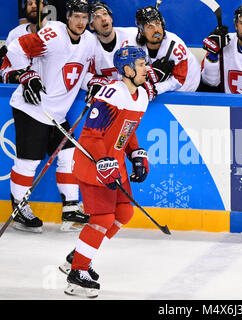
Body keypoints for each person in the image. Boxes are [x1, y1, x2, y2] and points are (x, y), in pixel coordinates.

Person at [4, 0, 103, 233]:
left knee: (69, 155)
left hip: (57, 113)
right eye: (76, 16)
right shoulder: (53, 33)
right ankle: (19, 210)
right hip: (32, 107)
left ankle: (70, 209)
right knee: (29, 161)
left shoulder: (89, 41)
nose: (80, 22)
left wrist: (93, 83)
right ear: (67, 17)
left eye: (84, 17)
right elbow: (16, 49)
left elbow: (80, 72)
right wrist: (26, 75)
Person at [62, 46, 150, 298]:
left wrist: (135, 153)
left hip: (115, 164)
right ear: (127, 69)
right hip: (93, 164)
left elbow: (127, 129)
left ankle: (79, 254)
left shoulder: (141, 95)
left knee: (124, 212)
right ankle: (77, 273)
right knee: (101, 219)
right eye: (141, 64)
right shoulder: (111, 94)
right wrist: (104, 161)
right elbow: (91, 134)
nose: (146, 69)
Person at [135, 5, 201, 96]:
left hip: (188, 85)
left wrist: (154, 88)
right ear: (142, 31)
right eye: (150, 26)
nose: (156, 30)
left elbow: (179, 80)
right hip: (159, 88)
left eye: (158, 24)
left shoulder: (175, 45)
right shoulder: (134, 45)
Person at [1, 0, 48, 83]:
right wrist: (18, 77)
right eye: (30, 4)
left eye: (37, 3)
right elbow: (5, 68)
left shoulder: (57, 31)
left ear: (45, 7)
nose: (33, 6)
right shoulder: (15, 34)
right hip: (22, 89)